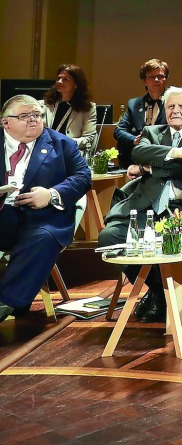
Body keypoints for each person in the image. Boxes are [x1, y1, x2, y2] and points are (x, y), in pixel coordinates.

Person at [97, 87, 182, 322]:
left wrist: (149, 167)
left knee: (169, 246)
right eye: (171, 106)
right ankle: (159, 292)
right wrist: (179, 152)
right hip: (146, 205)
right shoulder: (152, 131)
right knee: (110, 237)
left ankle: (158, 296)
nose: (175, 111)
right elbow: (139, 153)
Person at [0, 95, 92, 323]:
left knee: (42, 238)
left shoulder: (61, 144)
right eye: (24, 116)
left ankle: (6, 303)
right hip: (4, 213)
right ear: (5, 123)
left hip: (43, 216)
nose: (33, 120)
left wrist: (51, 195)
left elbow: (83, 177)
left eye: (37, 115)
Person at [113, 58, 170, 168]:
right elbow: (119, 131)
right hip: (137, 155)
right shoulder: (134, 104)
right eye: (152, 76)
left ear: (166, 79)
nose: (157, 79)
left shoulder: (174, 103)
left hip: (162, 155)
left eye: (161, 76)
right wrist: (134, 140)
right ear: (144, 81)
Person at [41, 64, 98, 159]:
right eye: (59, 78)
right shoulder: (43, 105)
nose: (59, 82)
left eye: (65, 79)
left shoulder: (88, 108)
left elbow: (89, 139)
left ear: (76, 85)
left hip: (70, 153)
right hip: (44, 151)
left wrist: (63, 142)